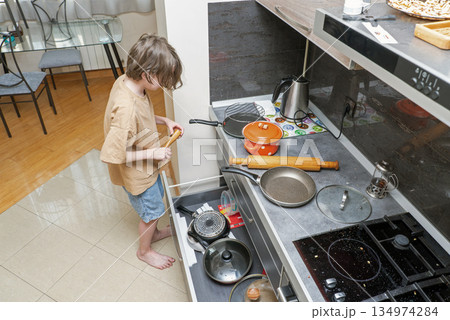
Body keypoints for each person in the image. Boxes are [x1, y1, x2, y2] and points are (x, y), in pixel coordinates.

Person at [100, 34, 183, 270]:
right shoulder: (125, 109)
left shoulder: (127, 81)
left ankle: (154, 234)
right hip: (137, 170)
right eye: (162, 80)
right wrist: (153, 154)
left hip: (146, 166)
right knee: (151, 211)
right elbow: (113, 153)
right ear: (147, 74)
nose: (164, 85)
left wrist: (163, 120)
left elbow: (141, 116)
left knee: (156, 202)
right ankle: (144, 251)